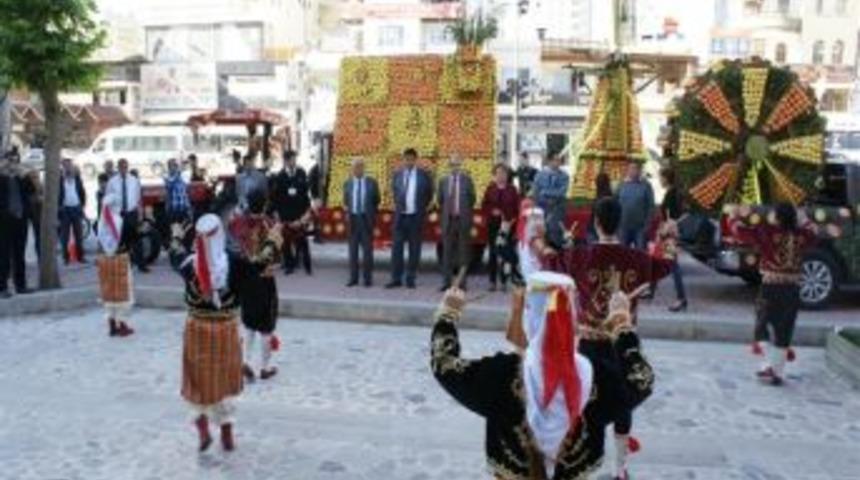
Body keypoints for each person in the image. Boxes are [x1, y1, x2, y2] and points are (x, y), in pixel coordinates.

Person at [431, 271, 654, 480]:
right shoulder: (597, 377)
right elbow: (641, 379)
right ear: (572, 317)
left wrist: (448, 314)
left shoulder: (500, 374)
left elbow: (444, 365)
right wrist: (621, 323)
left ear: (530, 317)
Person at [532, 197, 672, 479]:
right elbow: (666, 264)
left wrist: (537, 237)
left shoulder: (580, 256)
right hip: (623, 344)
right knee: (623, 402)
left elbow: (548, 259)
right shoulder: (637, 259)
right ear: (619, 222)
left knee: (585, 402)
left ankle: (582, 463)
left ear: (595, 222)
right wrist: (668, 236)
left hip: (589, 346)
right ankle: (620, 469)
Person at [168, 214, 247, 453]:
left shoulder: (189, 264)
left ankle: (202, 429)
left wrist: (176, 235)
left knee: (198, 381)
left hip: (197, 330)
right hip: (225, 330)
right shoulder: (234, 263)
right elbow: (258, 268)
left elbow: (175, 254)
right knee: (223, 379)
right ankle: (226, 433)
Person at [727, 203, 817, 386]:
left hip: (771, 287)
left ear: (777, 217)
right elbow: (813, 231)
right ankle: (775, 370)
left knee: (762, 326)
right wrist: (804, 218)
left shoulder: (767, 232)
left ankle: (770, 367)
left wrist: (733, 216)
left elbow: (740, 232)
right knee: (784, 329)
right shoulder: (802, 235)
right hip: (792, 288)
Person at [228, 190, 283, 381]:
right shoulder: (270, 226)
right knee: (266, 326)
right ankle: (265, 368)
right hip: (264, 279)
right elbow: (276, 257)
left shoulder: (238, 222)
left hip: (246, 279)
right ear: (265, 204)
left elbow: (233, 240)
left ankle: (246, 361)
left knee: (249, 324)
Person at [387, 148, 434, 289]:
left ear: (416, 160)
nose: (408, 161)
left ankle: (410, 278)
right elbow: (394, 192)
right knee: (397, 249)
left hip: (415, 217)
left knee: (414, 249)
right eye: (406, 159)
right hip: (400, 217)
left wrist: (420, 208)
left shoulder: (424, 176)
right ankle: (396, 279)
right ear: (403, 159)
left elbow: (429, 194)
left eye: (411, 159)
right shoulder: (397, 175)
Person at [95, 193, 135, 337]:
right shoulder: (121, 221)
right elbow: (130, 239)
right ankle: (122, 324)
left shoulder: (99, 223)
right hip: (120, 259)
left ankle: (112, 324)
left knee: (109, 292)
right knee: (124, 292)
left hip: (105, 261)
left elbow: (99, 242)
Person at [270, 150, 312, 275]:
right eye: (292, 159)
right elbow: (276, 198)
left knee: (303, 241)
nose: (294, 161)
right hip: (286, 214)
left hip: (300, 214)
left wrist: (307, 212)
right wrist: (278, 214)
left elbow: (305, 193)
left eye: (295, 159)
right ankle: (289, 266)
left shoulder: (301, 173)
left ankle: (307, 266)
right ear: (286, 161)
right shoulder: (280, 176)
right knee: (286, 242)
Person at [438, 155, 476, 291]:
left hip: (463, 220)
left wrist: (464, 213)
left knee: (463, 253)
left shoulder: (467, 180)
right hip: (449, 221)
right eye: (453, 165)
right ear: (449, 166)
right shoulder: (443, 181)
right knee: (446, 252)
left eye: (457, 165)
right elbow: (440, 200)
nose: (455, 167)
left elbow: (472, 199)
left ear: (461, 166)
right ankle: (446, 282)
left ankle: (462, 283)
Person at [481, 163, 520, 292]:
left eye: (503, 173)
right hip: (493, 225)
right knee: (493, 252)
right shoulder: (490, 188)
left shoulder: (512, 189)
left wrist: (512, 221)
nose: (501, 176)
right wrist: (492, 211)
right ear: (494, 175)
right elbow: (484, 205)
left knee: (506, 254)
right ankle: (492, 281)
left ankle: (504, 281)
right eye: (498, 173)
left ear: (507, 175)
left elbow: (517, 208)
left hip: (508, 226)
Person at [342, 157, 380, 287]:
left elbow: (376, 200)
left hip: (366, 219)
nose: (357, 169)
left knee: (368, 252)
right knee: (353, 252)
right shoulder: (347, 183)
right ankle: (353, 278)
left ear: (364, 168)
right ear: (352, 169)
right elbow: (346, 201)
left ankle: (367, 279)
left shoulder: (372, 183)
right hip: (353, 220)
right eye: (355, 167)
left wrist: (370, 214)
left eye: (359, 166)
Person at [0, 153, 33, 297]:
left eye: (15, 161)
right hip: (4, 222)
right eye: (10, 161)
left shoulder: (21, 178)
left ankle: (21, 285)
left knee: (19, 254)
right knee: (4, 255)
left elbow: (31, 191)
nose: (12, 164)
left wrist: (23, 175)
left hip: (21, 219)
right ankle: (2, 288)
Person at [106, 159, 147, 272]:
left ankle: (141, 265)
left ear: (127, 167)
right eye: (121, 167)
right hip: (119, 214)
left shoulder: (134, 181)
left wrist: (140, 214)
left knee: (136, 240)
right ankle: (121, 266)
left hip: (131, 213)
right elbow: (108, 199)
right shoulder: (112, 182)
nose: (124, 169)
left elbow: (139, 198)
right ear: (118, 168)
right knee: (120, 241)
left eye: (125, 167)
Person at [657, 167, 687, 312]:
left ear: (666, 178)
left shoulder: (671, 194)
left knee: (673, 266)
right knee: (670, 265)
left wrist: (666, 229)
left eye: (660, 177)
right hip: (670, 234)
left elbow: (673, 216)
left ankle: (681, 298)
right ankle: (680, 298)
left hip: (670, 236)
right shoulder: (673, 193)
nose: (659, 180)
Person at [532, 156, 569, 248]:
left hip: (558, 207)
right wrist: (545, 198)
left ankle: (557, 254)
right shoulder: (539, 175)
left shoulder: (564, 176)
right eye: (555, 160)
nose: (558, 162)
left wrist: (545, 192)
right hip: (542, 207)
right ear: (549, 161)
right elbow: (536, 193)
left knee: (555, 231)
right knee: (542, 232)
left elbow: (562, 192)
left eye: (559, 160)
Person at [616, 161, 654, 251]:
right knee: (622, 254)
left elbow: (650, 206)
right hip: (623, 226)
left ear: (640, 171)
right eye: (631, 168)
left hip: (640, 227)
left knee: (640, 254)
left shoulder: (646, 186)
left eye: (635, 168)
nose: (633, 171)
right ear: (627, 171)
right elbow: (615, 203)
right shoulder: (621, 185)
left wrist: (647, 224)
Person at [59, 158, 87, 264]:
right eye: (65, 166)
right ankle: (65, 257)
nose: (68, 168)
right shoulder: (59, 179)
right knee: (64, 236)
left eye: (69, 166)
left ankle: (81, 256)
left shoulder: (77, 178)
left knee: (79, 235)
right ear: (62, 167)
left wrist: (82, 206)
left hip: (76, 208)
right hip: (65, 209)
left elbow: (82, 192)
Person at [587, 172, 614, 243]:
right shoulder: (610, 196)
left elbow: (597, 215)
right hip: (605, 230)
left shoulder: (601, 197)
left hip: (597, 229)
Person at [164, 158, 192, 225]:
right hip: (173, 209)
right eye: (173, 165)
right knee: (175, 230)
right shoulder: (167, 176)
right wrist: (178, 172)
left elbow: (185, 192)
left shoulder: (182, 175)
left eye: (176, 165)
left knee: (185, 228)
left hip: (183, 207)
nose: (176, 167)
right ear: (169, 167)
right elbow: (170, 184)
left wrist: (188, 207)